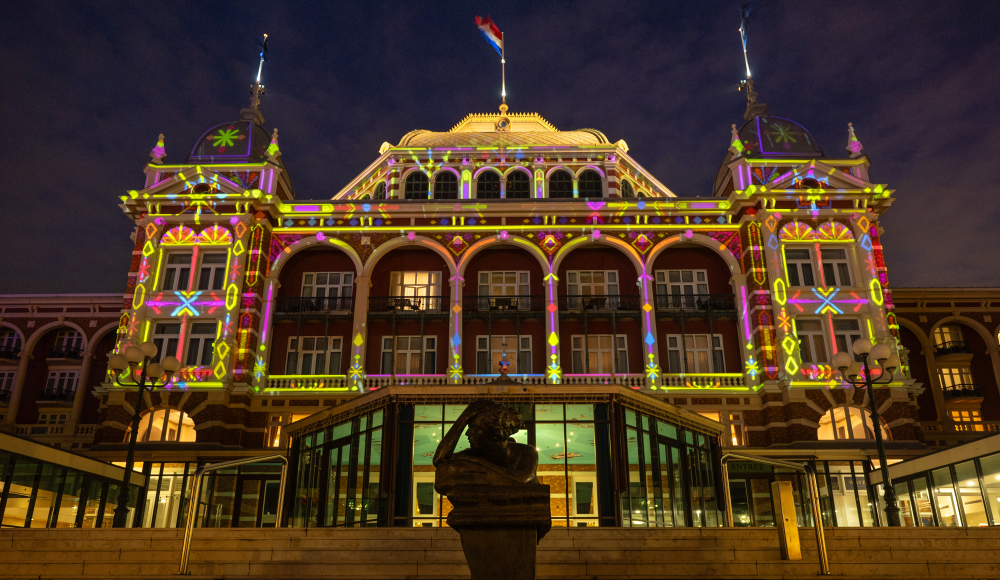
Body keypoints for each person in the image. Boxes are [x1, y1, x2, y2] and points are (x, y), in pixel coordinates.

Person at [433, 400, 538, 493]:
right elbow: (440, 462)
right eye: (469, 427)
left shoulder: (527, 453)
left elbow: (521, 480)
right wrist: (464, 417)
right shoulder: (471, 454)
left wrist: (478, 464)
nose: (468, 433)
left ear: (496, 431)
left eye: (476, 428)